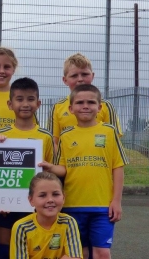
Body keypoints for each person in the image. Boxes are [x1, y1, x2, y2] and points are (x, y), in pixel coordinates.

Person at [39, 84, 128, 259]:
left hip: (102, 206)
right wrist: (50, 167)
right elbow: (63, 169)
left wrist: (116, 201)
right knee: (79, 251)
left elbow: (118, 167)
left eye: (90, 102)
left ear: (99, 107)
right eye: (80, 102)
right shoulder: (66, 136)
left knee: (102, 252)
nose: (85, 106)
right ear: (71, 109)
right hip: (72, 205)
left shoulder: (109, 132)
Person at [0, 77, 55, 259]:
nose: (25, 104)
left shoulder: (46, 136)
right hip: (6, 204)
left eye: (30, 99)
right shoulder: (0, 137)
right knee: (5, 244)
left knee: (33, 244)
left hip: (36, 203)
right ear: (10, 104)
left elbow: (52, 172)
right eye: (19, 99)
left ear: (38, 103)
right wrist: (0, 200)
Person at [47, 53, 122, 151]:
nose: (80, 79)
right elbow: (53, 142)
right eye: (74, 76)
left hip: (99, 163)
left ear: (92, 76)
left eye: (85, 74)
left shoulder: (105, 106)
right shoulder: (57, 108)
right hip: (67, 164)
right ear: (65, 80)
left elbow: (114, 140)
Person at [10, 172, 82, 259]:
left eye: (55, 194)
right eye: (42, 195)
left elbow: (75, 257)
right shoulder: (21, 227)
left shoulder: (68, 222)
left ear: (63, 198)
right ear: (31, 200)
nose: (50, 200)